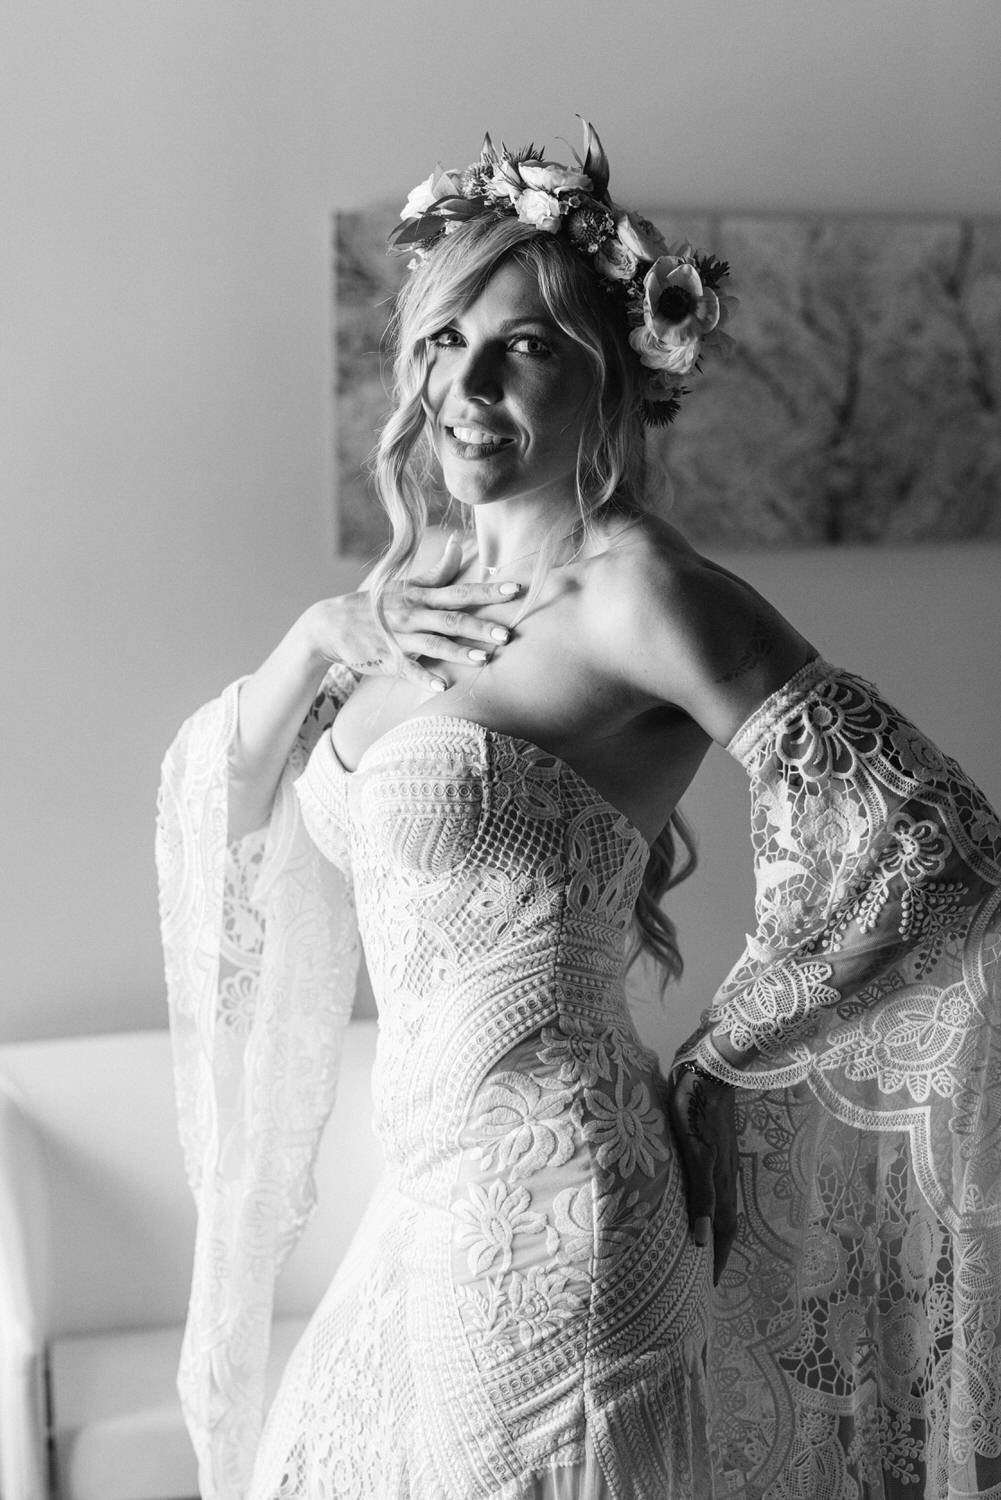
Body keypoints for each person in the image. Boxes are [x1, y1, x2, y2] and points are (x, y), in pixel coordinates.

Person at [157, 122, 1001, 1500]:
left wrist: (738, 1059)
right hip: (424, 1199)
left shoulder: (639, 588)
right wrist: (319, 641)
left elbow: (934, 843)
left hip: (560, 1210)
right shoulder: (411, 594)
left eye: (524, 347)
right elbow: (229, 806)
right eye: (442, 344)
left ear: (613, 371)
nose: (469, 386)